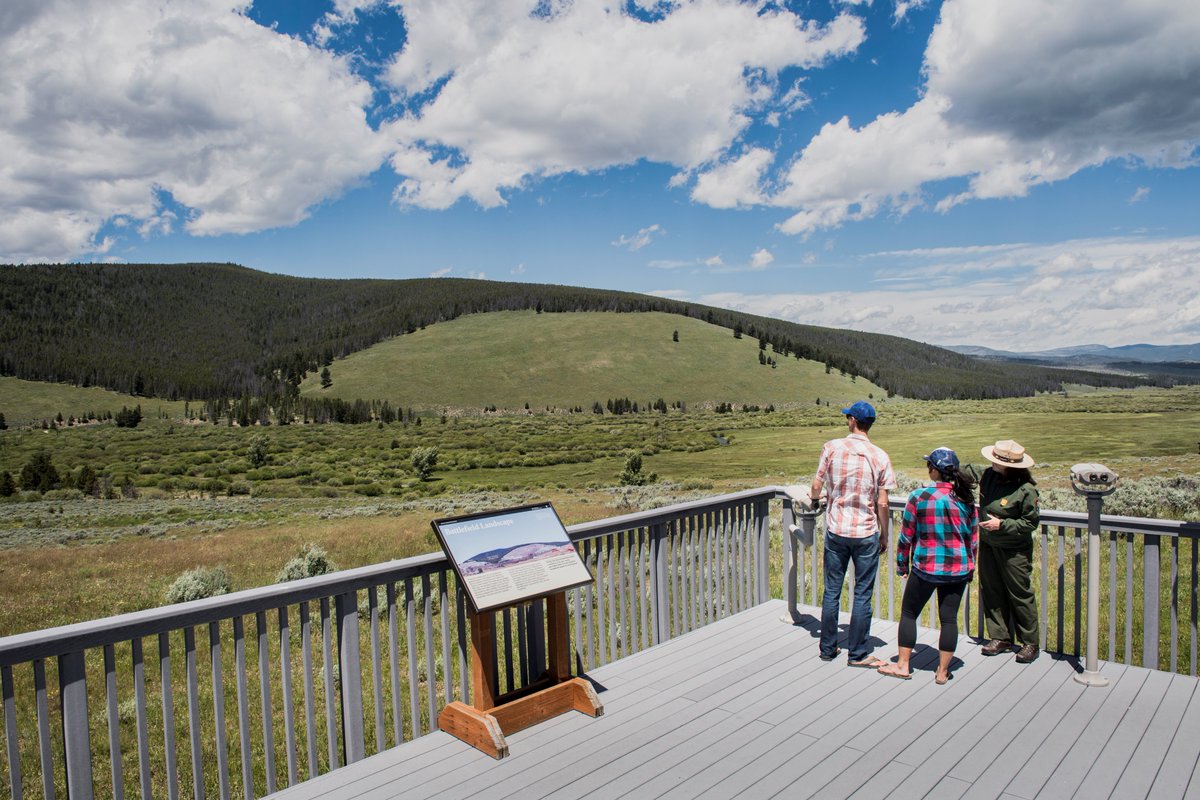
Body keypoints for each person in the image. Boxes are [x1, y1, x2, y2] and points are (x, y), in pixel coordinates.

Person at [877, 448, 978, 683]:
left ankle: (903, 665)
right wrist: (970, 567)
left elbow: (906, 536)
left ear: (934, 470)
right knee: (949, 618)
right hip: (958, 568)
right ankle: (942, 672)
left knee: (909, 613)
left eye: (929, 466)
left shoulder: (918, 497)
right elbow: (972, 539)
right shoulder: (965, 499)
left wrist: (902, 564)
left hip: (926, 566)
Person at [810, 400, 895, 667]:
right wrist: (884, 534)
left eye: (848, 417)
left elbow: (816, 485)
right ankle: (857, 653)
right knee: (862, 593)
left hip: (836, 529)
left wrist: (816, 499)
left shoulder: (832, 447)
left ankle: (827, 648)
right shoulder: (880, 455)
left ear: (852, 421)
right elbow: (883, 502)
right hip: (865, 531)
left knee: (832, 590)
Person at [969, 439, 1040, 663]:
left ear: (1009, 466)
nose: (992, 463)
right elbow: (968, 470)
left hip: (1014, 550)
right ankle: (1000, 637)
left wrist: (1002, 525)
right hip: (989, 544)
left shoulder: (1026, 490)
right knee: (991, 588)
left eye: (996, 461)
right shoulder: (988, 475)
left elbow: (1030, 523)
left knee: (1020, 593)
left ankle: (1030, 643)